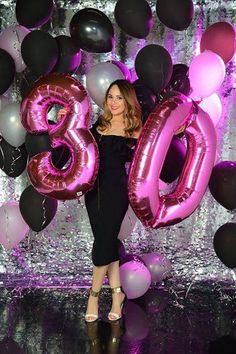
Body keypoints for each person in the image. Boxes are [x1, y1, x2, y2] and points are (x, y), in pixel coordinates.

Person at [84, 79, 142, 322]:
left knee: (104, 242)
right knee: (105, 242)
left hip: (117, 192)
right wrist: (64, 120)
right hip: (93, 192)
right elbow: (82, 149)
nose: (114, 102)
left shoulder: (136, 128)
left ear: (127, 100)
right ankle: (117, 294)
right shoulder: (100, 123)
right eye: (110, 97)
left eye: (119, 97)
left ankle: (94, 295)